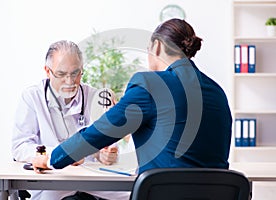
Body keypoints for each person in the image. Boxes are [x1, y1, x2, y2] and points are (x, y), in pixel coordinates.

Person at [32, 18, 232, 187]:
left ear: (157, 46)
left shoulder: (150, 84)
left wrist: (52, 159)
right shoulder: (217, 92)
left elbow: (100, 133)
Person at [12, 40, 125, 200]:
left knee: (134, 193)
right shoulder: (32, 97)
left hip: (91, 179)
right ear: (48, 71)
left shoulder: (97, 98)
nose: (70, 81)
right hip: (53, 179)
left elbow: (108, 145)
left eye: (75, 73)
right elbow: (20, 146)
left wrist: (106, 155)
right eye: (61, 74)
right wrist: (61, 155)